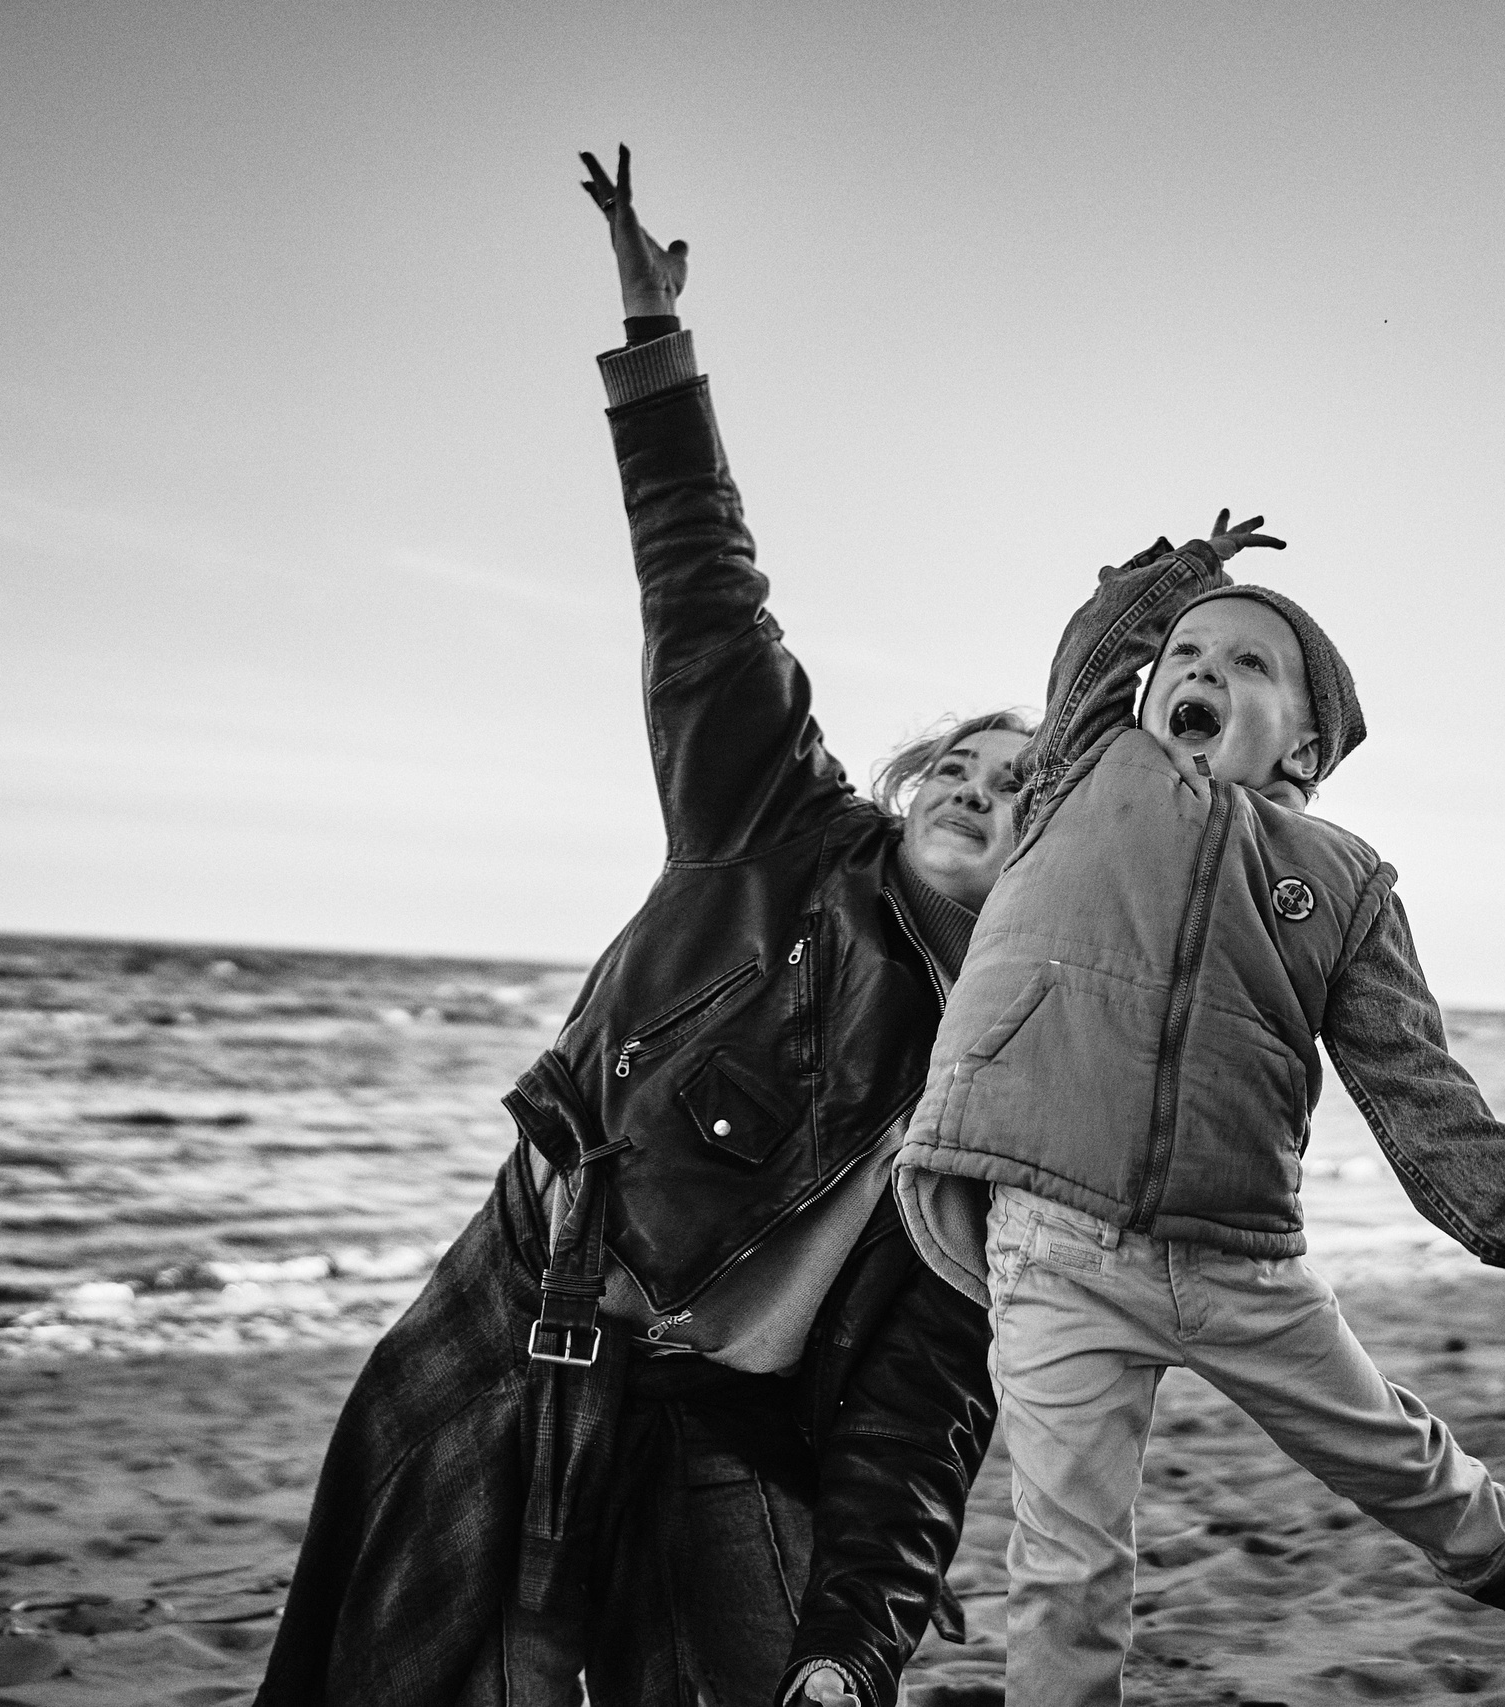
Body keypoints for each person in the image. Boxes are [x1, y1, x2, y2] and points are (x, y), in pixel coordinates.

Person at [254, 147, 1017, 1707]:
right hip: (527, 1325)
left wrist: (862, 1630)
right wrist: (656, 348)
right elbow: (705, 594)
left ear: (1055, 854)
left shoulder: (1009, 1079)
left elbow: (930, 1392)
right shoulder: (773, 823)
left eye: (1022, 787)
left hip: (735, 1430)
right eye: (960, 761)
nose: (975, 787)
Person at [893, 534, 1505, 1706]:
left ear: (1307, 744)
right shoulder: (1081, 774)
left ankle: (1500, 1558)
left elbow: (1413, 1080)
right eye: (1182, 654)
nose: (1199, 671)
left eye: (1247, 663)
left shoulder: (1345, 880)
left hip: (1239, 1252)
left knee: (1382, 1445)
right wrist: (1172, 577)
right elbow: (1097, 652)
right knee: (1066, 1555)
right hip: (1052, 1244)